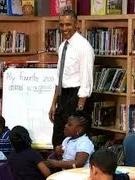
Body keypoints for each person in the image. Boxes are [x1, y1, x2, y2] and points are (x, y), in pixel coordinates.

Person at [49, 5, 95, 148]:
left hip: (78, 96)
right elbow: (59, 76)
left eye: (68, 24)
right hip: (63, 95)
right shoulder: (63, 46)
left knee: (73, 142)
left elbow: (86, 79)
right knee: (57, 138)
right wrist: (53, 103)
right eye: (61, 25)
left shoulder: (84, 47)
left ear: (76, 24)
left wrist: (79, 109)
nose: (64, 28)